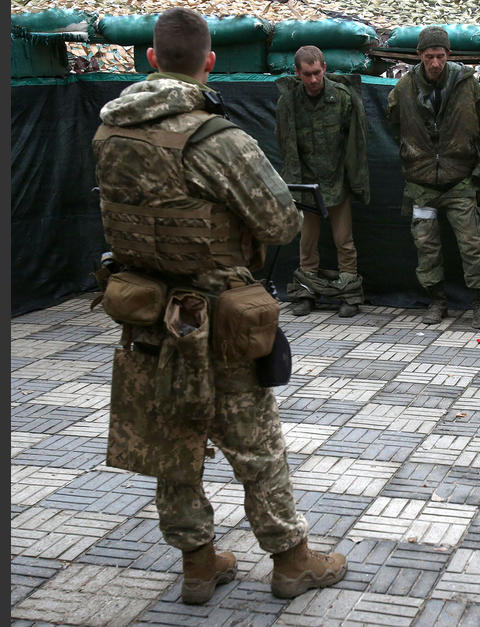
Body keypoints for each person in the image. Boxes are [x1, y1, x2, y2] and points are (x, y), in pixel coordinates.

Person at [91, 8, 346, 604]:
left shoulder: (108, 132)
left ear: (150, 60)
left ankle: (199, 566)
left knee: (172, 442)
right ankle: (291, 561)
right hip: (217, 319)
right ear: (209, 62)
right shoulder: (217, 138)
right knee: (255, 444)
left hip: (147, 314)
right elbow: (282, 219)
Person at [386, 26, 480, 329]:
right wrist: (414, 152)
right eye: (429, 56)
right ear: (419, 56)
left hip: (460, 179)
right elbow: (394, 123)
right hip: (420, 183)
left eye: (440, 56)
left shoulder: (466, 84)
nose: (434, 63)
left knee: (472, 244)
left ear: (449, 55)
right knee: (426, 247)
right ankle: (437, 301)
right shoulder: (404, 88)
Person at [275, 45, 370, 318]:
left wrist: (355, 180)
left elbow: (356, 144)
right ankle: (305, 293)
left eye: (317, 73)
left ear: (325, 68)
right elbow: (285, 145)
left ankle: (349, 293)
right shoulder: (289, 102)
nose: (314, 80)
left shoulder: (342, 98)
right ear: (298, 73)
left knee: (345, 241)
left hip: (337, 180)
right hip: (306, 184)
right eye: (307, 74)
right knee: (307, 242)